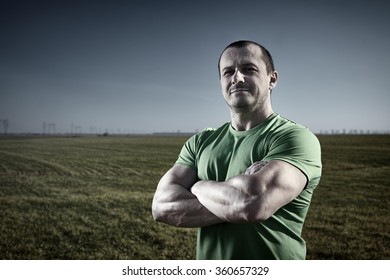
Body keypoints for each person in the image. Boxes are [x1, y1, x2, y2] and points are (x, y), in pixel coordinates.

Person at [152, 40, 322, 260]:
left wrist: (197, 186)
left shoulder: (295, 138)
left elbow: (251, 203)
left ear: (273, 79)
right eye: (228, 72)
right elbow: (161, 206)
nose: (237, 78)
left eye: (249, 69)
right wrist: (233, 200)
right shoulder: (200, 142)